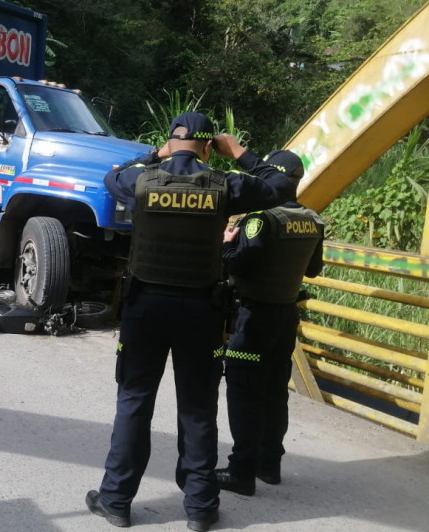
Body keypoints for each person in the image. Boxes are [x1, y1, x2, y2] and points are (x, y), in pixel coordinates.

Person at [85, 112, 298, 532]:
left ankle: (116, 501)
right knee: (198, 409)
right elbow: (281, 186)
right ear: (208, 147)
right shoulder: (225, 185)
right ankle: (200, 507)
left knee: (134, 402)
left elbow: (111, 177)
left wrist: (155, 154)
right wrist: (239, 152)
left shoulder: (141, 180)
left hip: (145, 309)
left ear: (171, 142)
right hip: (201, 311)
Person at [214, 150, 324, 496]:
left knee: (244, 391)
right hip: (286, 318)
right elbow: (313, 270)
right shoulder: (313, 219)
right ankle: (269, 464)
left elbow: (241, 266)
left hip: (253, 318)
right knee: (275, 392)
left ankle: (240, 471)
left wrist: (225, 246)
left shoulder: (261, 219)